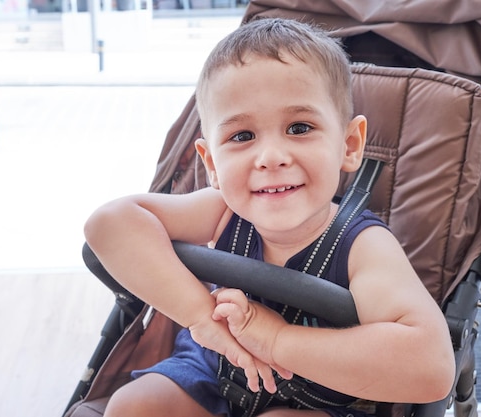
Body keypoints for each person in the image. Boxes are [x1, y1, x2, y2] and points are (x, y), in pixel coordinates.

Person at [84, 17, 455, 417]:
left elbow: (431, 367)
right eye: (242, 137)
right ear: (211, 163)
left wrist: (276, 340)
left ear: (349, 145)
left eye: (299, 127)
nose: (271, 157)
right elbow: (109, 224)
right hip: (210, 370)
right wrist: (201, 318)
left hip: (314, 396)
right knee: (134, 405)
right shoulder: (221, 211)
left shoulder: (364, 246)